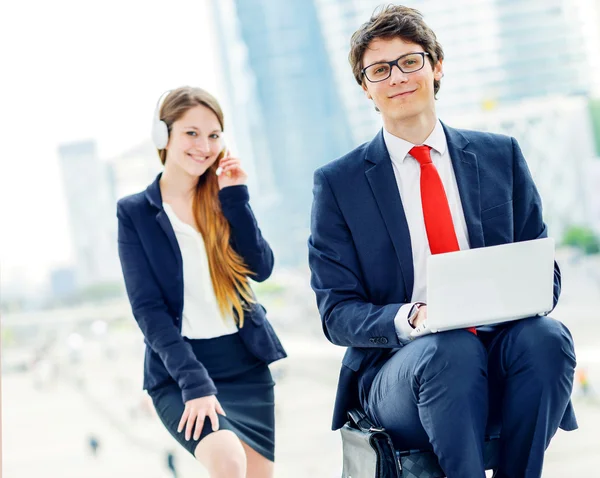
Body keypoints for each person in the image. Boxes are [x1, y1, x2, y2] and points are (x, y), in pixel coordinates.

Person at [308, 5, 577, 477]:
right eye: (379, 70)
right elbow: (337, 313)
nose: (397, 77)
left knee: (548, 339)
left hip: (500, 346)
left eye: (410, 61)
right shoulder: (339, 184)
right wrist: (416, 318)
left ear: (436, 66)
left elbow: (543, 274)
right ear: (366, 89)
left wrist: (512, 295)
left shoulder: (500, 156)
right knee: (449, 348)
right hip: (401, 369)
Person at [117, 86, 286, 478]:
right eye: (191, 133)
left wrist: (236, 199)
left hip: (246, 367)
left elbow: (260, 267)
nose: (204, 145)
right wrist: (195, 383)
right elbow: (148, 310)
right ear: (165, 136)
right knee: (227, 462)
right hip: (181, 371)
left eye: (213, 135)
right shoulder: (136, 213)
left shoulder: (223, 200)